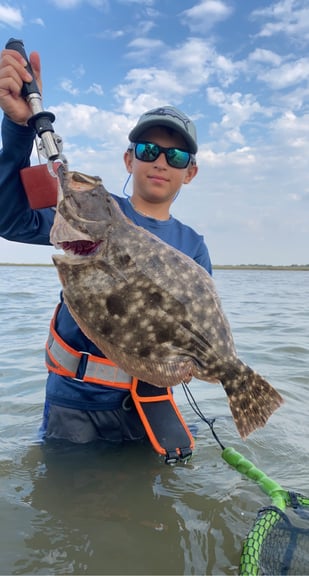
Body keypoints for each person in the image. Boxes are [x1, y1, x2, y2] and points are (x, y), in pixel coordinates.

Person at [0, 47, 212, 460]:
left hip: (147, 408)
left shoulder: (193, 246)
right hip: (75, 402)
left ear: (190, 171)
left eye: (177, 155)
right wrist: (18, 130)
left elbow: (195, 328)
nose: (161, 161)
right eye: (149, 150)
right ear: (129, 159)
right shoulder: (89, 213)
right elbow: (11, 220)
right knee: (66, 513)